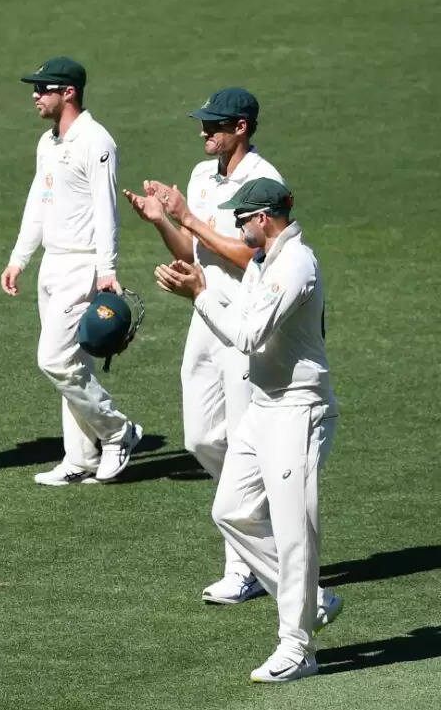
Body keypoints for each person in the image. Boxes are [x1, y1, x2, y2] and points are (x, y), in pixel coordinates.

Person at [155, 178, 342, 683]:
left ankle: (297, 649)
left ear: (264, 218)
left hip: (298, 411)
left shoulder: (295, 264)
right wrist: (201, 285)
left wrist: (198, 295)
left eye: (242, 218)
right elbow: (239, 315)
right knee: (231, 510)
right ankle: (311, 601)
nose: (237, 227)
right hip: (264, 406)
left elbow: (247, 335)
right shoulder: (262, 262)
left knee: (294, 532)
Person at [123, 88, 281, 604]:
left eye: (214, 125)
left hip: (245, 322)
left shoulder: (264, 180)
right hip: (205, 313)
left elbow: (254, 255)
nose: (203, 132)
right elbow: (193, 252)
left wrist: (187, 216)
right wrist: (161, 220)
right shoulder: (200, 174)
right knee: (201, 439)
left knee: (240, 440)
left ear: (241, 127)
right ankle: (263, 530)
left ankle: (246, 565)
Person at [1, 57, 142, 486]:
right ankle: (80, 459)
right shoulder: (48, 143)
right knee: (74, 362)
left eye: (44, 88)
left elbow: (106, 209)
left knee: (54, 359)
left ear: (69, 93)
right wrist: (20, 258)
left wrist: (107, 270)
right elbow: (38, 201)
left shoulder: (96, 141)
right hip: (52, 264)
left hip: (83, 264)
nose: (35, 96)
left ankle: (118, 431)